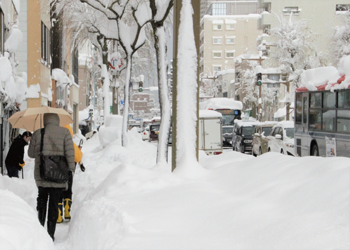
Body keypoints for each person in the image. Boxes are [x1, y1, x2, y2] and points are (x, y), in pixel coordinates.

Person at [28, 113, 75, 241]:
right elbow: (70, 152)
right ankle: (50, 235)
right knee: (54, 204)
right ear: (57, 120)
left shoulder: (38, 133)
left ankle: (40, 230)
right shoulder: (65, 132)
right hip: (58, 175)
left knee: (42, 201)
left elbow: (31, 154)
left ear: (45, 121)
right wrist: (71, 169)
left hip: (42, 175)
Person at [57, 124, 83, 223]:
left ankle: (59, 215)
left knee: (58, 191)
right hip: (68, 171)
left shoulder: (57, 143)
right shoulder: (71, 144)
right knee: (68, 190)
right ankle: (67, 211)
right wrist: (79, 151)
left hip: (58, 171)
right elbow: (78, 157)